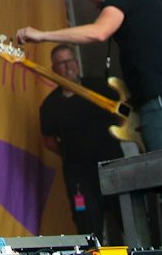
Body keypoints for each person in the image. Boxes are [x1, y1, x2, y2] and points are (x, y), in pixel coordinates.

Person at [17, 0, 162, 245]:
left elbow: (98, 33)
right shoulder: (153, 2)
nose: (96, 5)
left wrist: (41, 35)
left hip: (161, 104)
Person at [37, 44, 124, 240]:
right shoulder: (50, 106)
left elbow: (123, 113)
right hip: (80, 177)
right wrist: (72, 152)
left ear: (77, 62)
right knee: (88, 228)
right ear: (53, 69)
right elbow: (48, 141)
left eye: (70, 60)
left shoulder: (98, 87)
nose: (68, 66)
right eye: (62, 63)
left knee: (128, 219)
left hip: (114, 168)